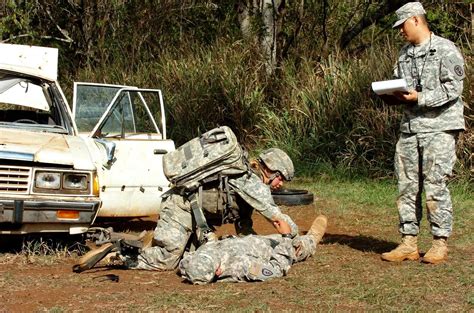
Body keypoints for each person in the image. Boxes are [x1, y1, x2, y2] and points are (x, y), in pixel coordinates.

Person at [380, 2, 465, 264]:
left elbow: (454, 89)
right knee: (406, 186)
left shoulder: (445, 49)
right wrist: (392, 95)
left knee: (435, 184)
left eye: (402, 25)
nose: (401, 32)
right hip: (410, 129)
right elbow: (400, 84)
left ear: (416, 20)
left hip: (439, 127)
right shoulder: (404, 54)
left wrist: (420, 97)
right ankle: (409, 242)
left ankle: (439, 243)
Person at [120, 147, 299, 271]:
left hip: (198, 217)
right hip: (180, 205)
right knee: (167, 260)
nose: (281, 184)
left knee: (194, 256)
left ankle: (151, 241)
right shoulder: (252, 183)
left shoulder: (249, 181)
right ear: (272, 170)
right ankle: (119, 256)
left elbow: (244, 227)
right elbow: (277, 219)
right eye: (281, 178)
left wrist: (255, 247)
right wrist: (293, 241)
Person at [179, 215, 328, 284]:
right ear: (217, 273)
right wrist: (286, 237)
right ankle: (311, 240)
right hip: (273, 250)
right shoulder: (243, 267)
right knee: (298, 247)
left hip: (252, 241)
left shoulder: (194, 262)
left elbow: (184, 264)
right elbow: (276, 269)